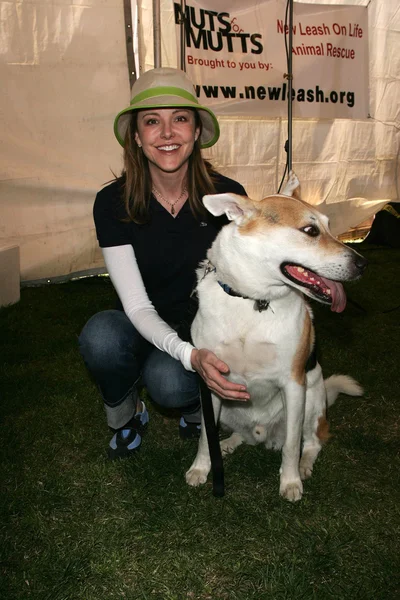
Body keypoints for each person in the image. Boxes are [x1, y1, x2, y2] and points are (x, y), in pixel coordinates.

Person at [79, 67, 249, 460]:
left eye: (180, 119)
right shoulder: (111, 203)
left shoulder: (228, 197)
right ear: (137, 137)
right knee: (101, 337)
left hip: (203, 325)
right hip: (143, 321)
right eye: (153, 121)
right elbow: (136, 307)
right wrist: (189, 356)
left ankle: (192, 406)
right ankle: (126, 417)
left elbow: (243, 287)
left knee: (168, 383)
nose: (168, 133)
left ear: (195, 133)